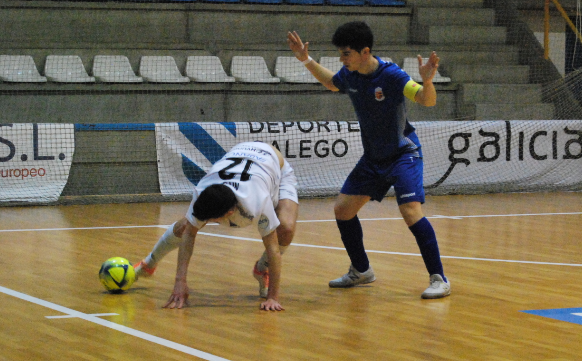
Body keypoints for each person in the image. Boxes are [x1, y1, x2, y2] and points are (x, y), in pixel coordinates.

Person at [287, 21, 450, 299]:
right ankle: (362, 270)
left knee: (410, 212)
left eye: (346, 54)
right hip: (373, 158)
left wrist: (429, 81)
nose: (342, 59)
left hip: (402, 154)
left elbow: (426, 100)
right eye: (340, 54)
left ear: (365, 52)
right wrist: (306, 60)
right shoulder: (350, 74)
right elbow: (330, 82)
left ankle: (439, 279)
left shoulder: (392, 76)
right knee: (343, 209)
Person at [134, 141, 299, 311]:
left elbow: (273, 248)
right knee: (185, 226)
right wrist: (179, 282)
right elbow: (189, 234)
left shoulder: (258, 201)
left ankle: (261, 269)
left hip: (276, 168)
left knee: (285, 229)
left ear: (228, 214)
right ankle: (148, 264)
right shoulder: (203, 190)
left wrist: (273, 297)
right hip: (243, 156)